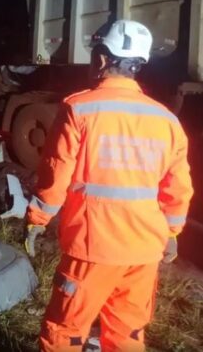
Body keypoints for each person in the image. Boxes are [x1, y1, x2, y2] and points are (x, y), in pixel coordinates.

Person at [24, 20, 193, 351]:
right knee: (128, 332)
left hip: (93, 247)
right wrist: (171, 234)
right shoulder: (167, 120)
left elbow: (56, 174)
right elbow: (178, 188)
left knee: (65, 331)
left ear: (102, 60)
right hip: (144, 249)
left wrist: (37, 219)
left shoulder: (79, 108)